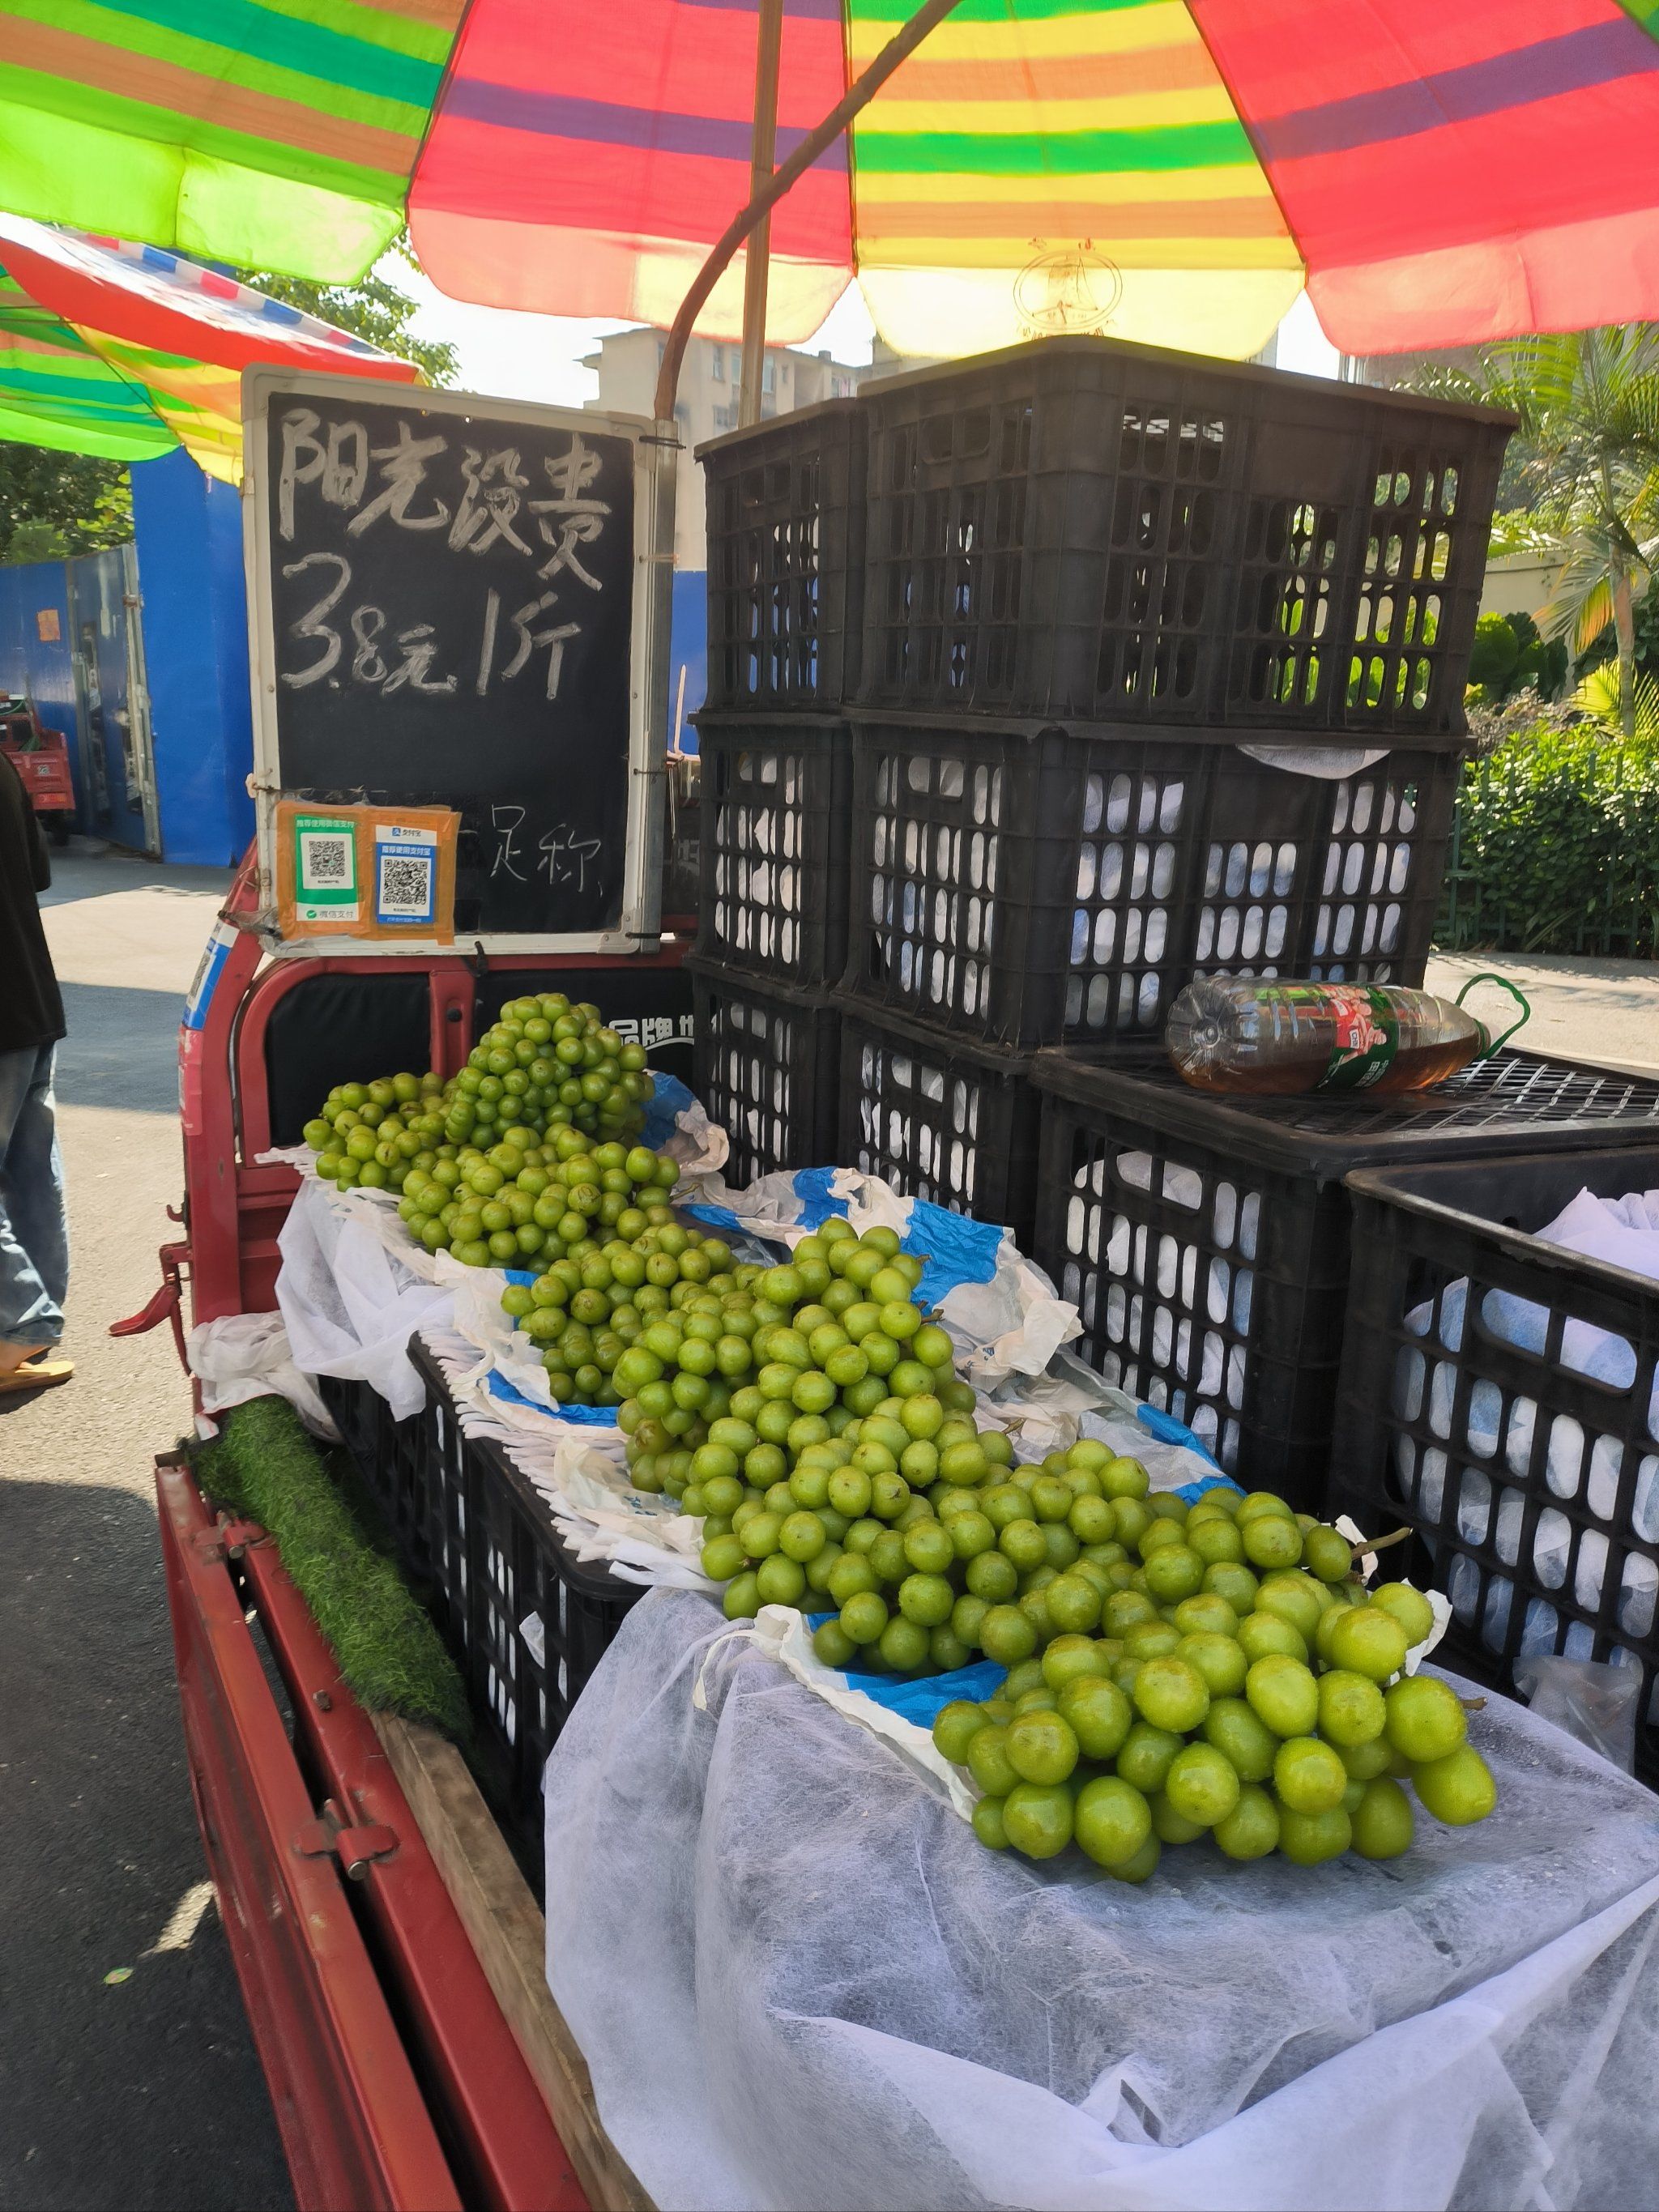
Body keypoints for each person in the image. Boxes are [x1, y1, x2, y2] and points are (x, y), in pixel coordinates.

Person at [0, 746, 70, 1392]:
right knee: (29, 1170)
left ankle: (21, 1326)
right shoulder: (3, 764)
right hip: (29, 995)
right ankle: (30, 1333)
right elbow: (38, 873)